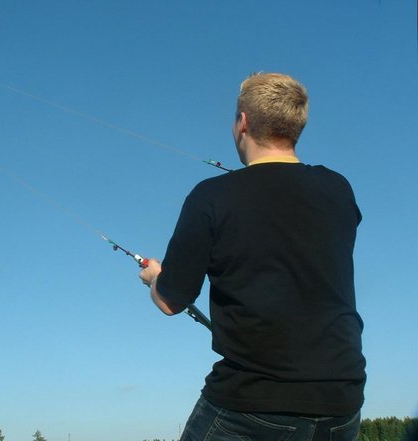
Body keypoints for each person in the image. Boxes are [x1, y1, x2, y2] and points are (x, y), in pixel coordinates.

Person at [139, 73, 366, 441]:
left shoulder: (210, 196)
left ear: (242, 121)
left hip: (252, 404)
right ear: (296, 125)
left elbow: (170, 301)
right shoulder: (338, 189)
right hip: (343, 402)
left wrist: (154, 277)